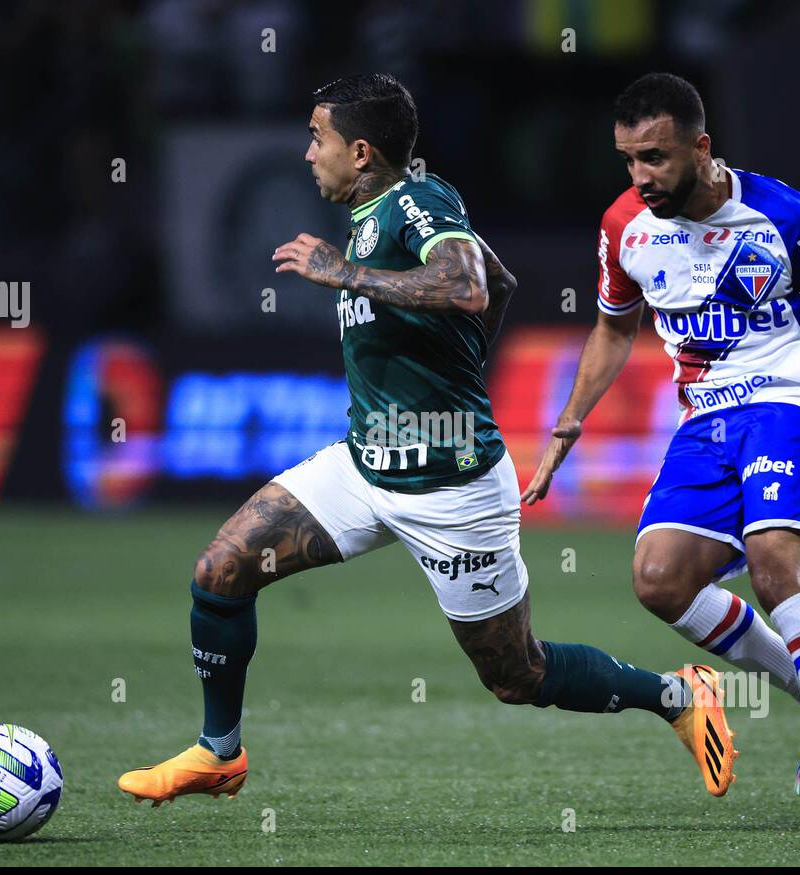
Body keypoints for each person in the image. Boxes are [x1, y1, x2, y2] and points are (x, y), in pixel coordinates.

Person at [118, 73, 738, 808]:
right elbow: (501, 283)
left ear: (360, 150)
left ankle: (677, 695)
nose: (307, 152)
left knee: (517, 675)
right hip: (364, 467)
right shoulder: (376, 211)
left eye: (316, 138)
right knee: (221, 568)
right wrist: (457, 357)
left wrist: (341, 273)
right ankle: (220, 752)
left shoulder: (417, 200)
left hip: (454, 490)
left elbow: (471, 283)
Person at [522, 73, 800, 831]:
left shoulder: (788, 219)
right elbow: (615, 327)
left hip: (787, 402)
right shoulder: (624, 227)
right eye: (628, 160)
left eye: (657, 157)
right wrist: (566, 425)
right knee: (658, 580)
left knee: (778, 566)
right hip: (705, 418)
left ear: (701, 147)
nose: (642, 177)